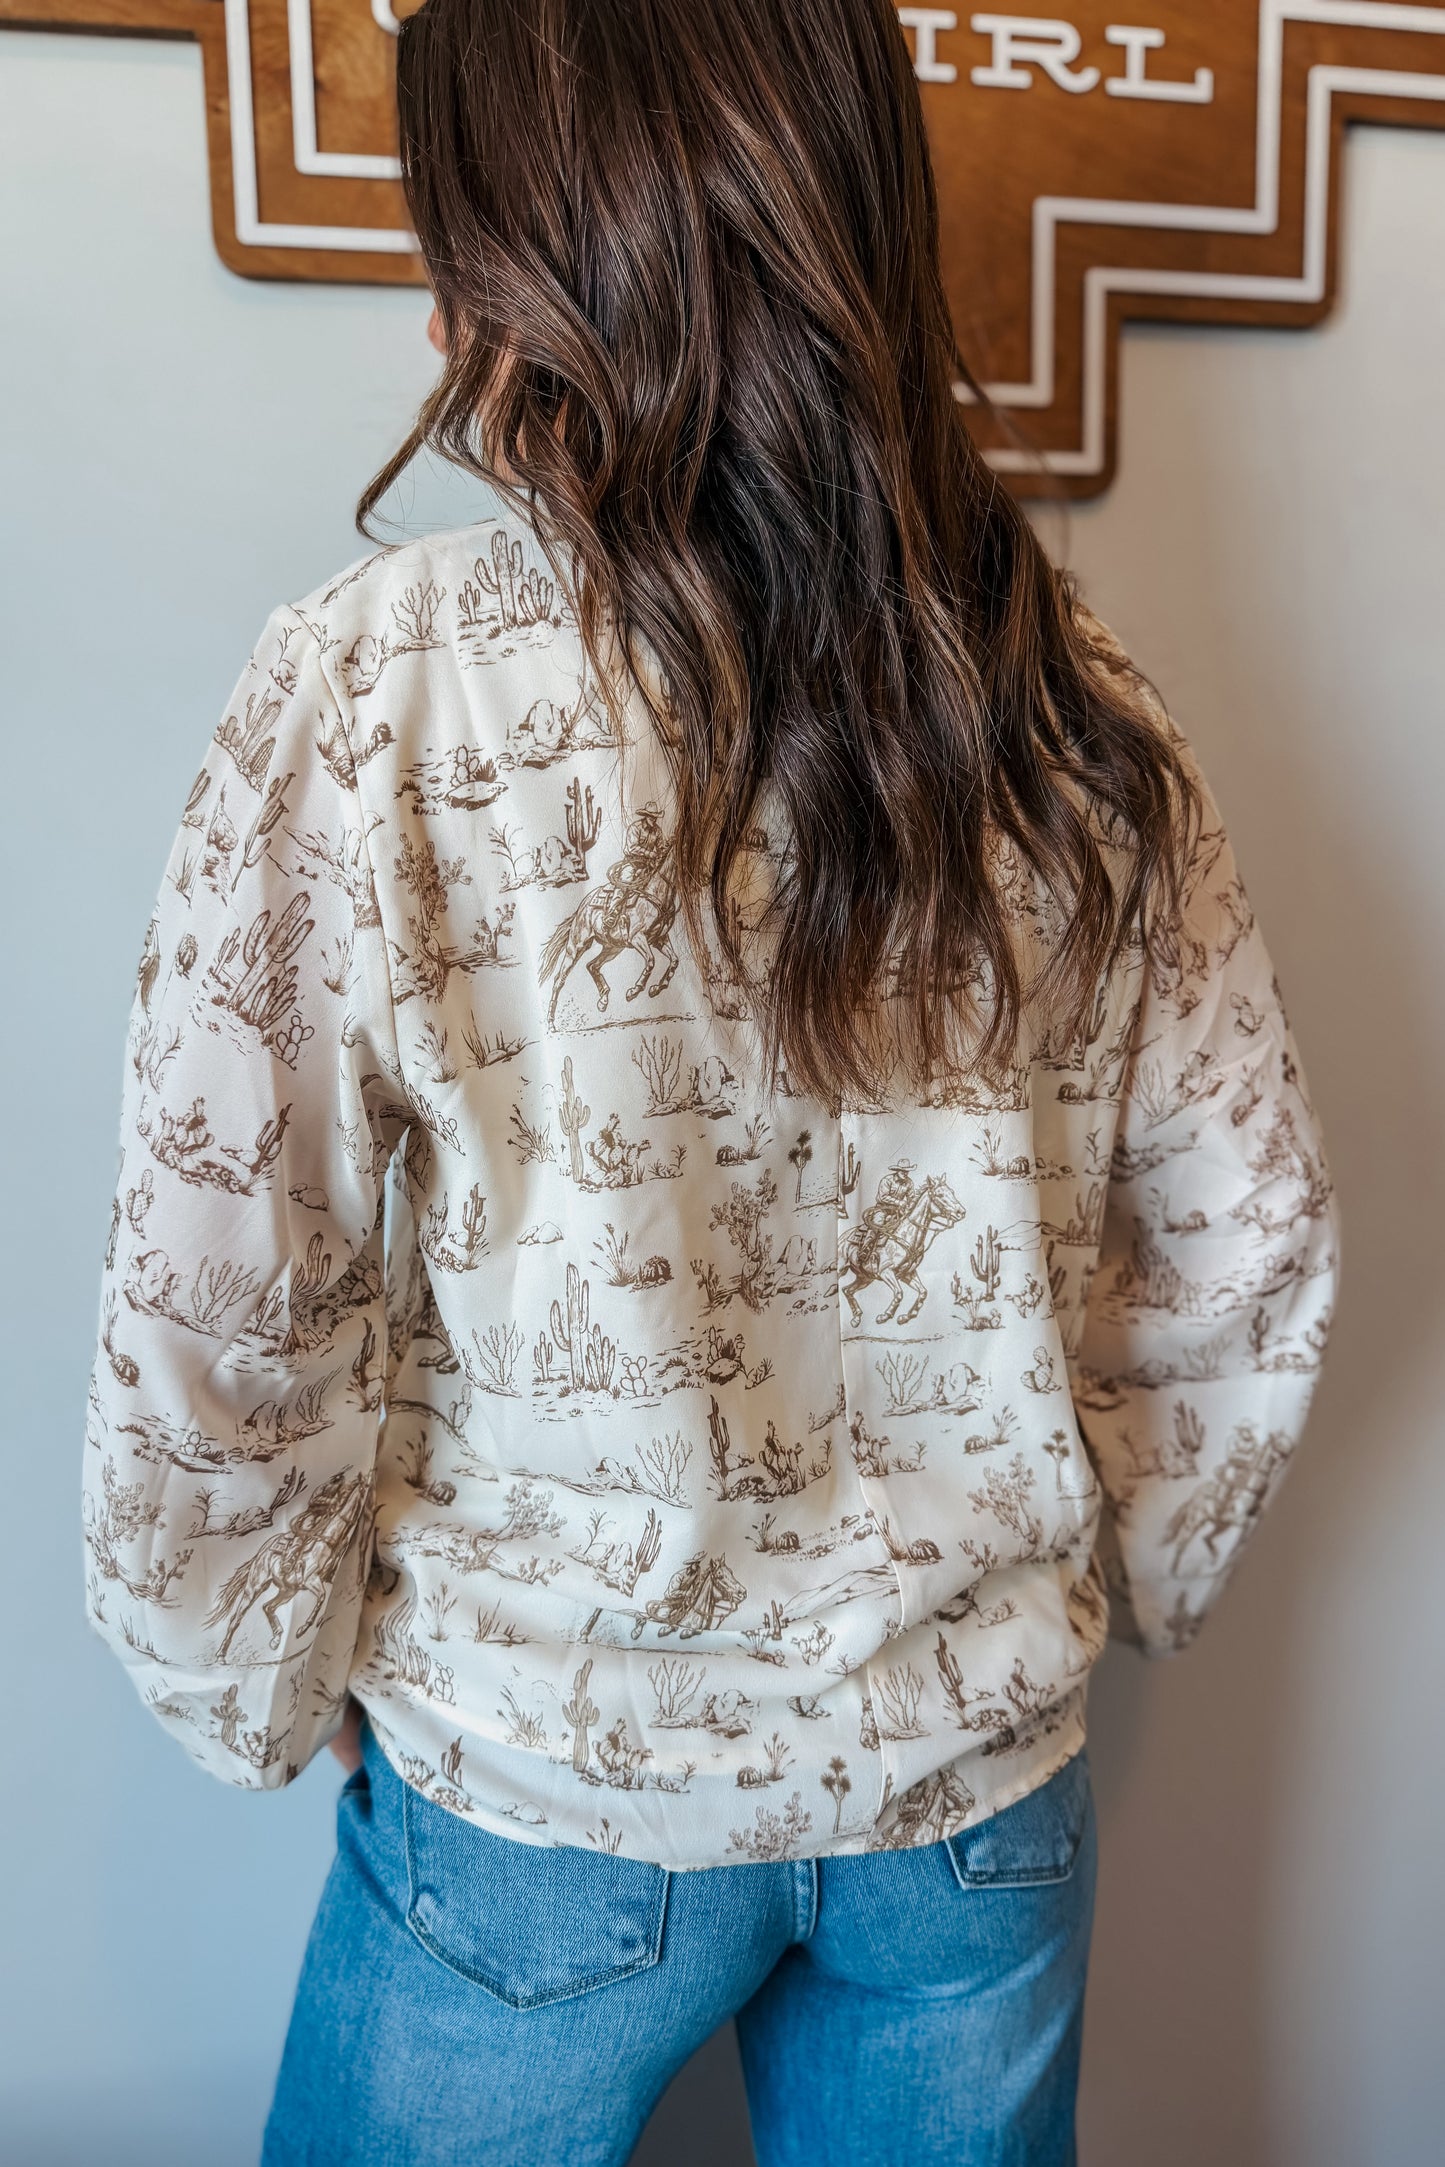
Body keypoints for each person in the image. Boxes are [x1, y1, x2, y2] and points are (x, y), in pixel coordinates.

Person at [81, 2, 1339, 2160]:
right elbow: (1251, 1235)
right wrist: (1105, 1567)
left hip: (542, 1805)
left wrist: (241, 1678)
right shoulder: (1056, 691)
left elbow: (222, 1295)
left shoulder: (378, 689)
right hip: (973, 1816)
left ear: (514, 248)